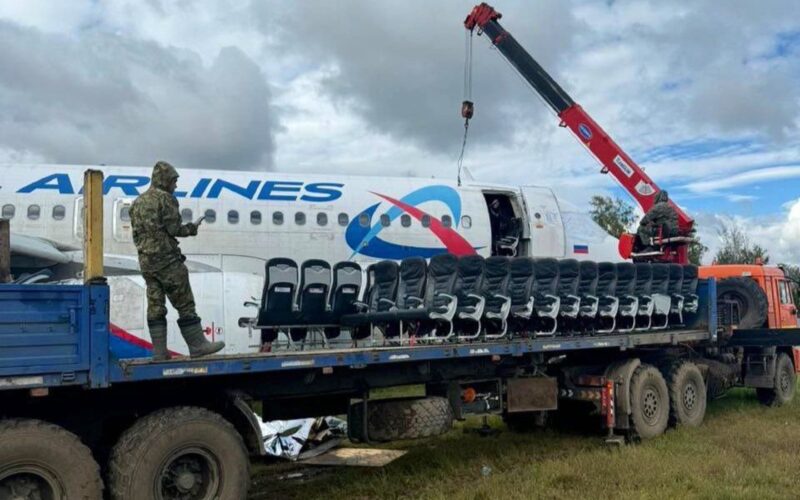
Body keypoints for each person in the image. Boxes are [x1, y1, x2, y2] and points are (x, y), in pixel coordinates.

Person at [130, 161, 225, 360]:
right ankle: (198, 346)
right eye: (174, 181)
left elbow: (137, 234)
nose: (175, 186)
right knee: (185, 303)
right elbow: (174, 230)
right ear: (165, 181)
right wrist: (192, 228)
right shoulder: (166, 199)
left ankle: (159, 352)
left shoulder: (137, 202)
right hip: (167, 261)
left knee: (155, 304)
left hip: (146, 262)